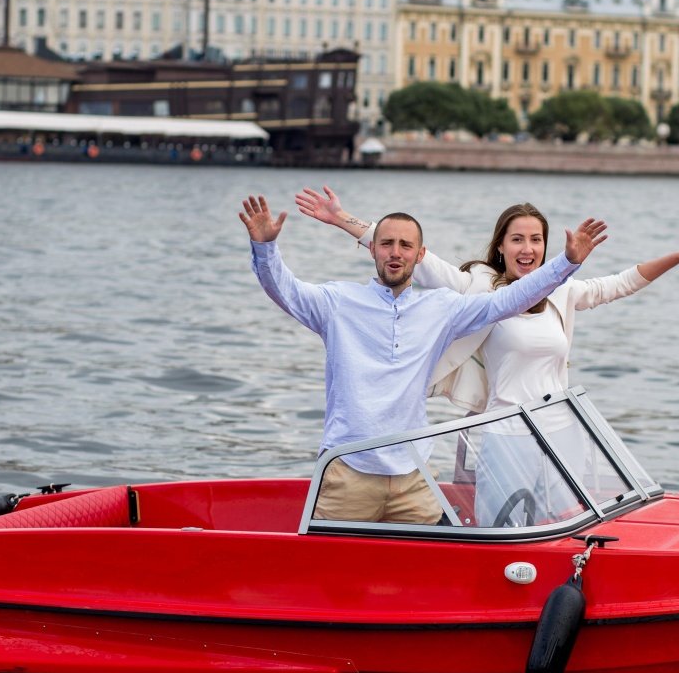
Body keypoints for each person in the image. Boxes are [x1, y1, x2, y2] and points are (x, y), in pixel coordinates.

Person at [294, 186, 679, 525]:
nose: (528, 248)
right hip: (505, 431)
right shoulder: (477, 287)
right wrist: (342, 220)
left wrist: (676, 257)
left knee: (561, 526)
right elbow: (409, 254)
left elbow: (621, 283)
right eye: (517, 239)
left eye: (536, 240)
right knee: (502, 526)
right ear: (500, 246)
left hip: (561, 431)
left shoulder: (562, 288)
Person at [240, 194, 607, 525]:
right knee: (331, 572)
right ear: (372, 250)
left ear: (419, 254)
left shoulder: (440, 309)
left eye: (405, 245)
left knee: (450, 563)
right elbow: (284, 290)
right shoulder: (336, 303)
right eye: (386, 244)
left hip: (412, 474)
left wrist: (566, 262)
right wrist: (265, 247)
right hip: (349, 469)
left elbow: (508, 300)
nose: (395, 252)